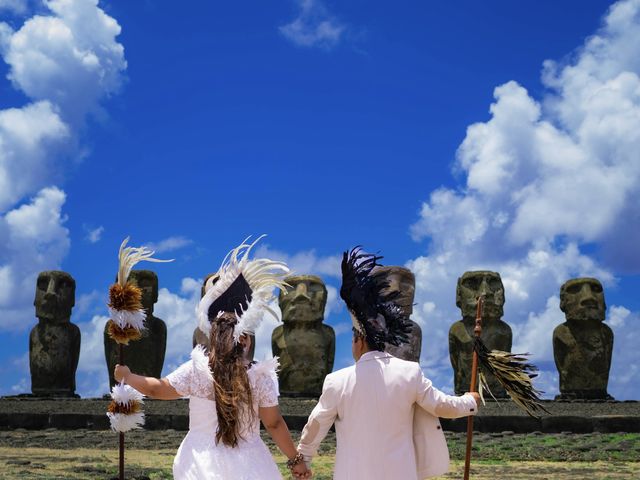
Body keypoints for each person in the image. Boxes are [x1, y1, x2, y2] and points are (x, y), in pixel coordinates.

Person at [114, 237, 311, 480]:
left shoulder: (196, 370)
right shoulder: (260, 377)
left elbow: (158, 389)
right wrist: (296, 461)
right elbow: (274, 424)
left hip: (199, 461)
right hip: (250, 464)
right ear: (246, 339)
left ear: (211, 336)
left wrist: (128, 376)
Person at [296, 247, 481, 480]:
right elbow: (442, 406)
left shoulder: (337, 381)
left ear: (358, 340)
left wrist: (302, 459)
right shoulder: (409, 373)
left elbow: (316, 425)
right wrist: (470, 401)